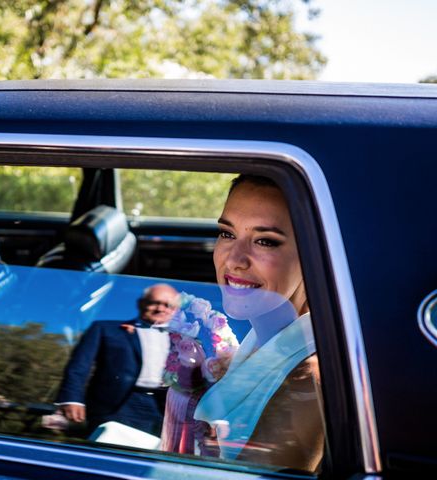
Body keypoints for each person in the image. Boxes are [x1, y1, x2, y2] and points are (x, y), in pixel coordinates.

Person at [192, 175, 324, 472]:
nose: (234, 260)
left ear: (314, 254)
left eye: (265, 241)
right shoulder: (263, 336)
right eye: (227, 234)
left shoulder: (309, 380)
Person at [55, 283, 179, 438]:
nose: (160, 309)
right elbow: (79, 366)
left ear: (175, 310)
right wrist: (72, 398)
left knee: (152, 460)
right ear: (141, 303)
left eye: (168, 305)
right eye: (155, 302)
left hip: (165, 409)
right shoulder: (105, 328)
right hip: (117, 405)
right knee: (109, 454)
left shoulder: (185, 341)